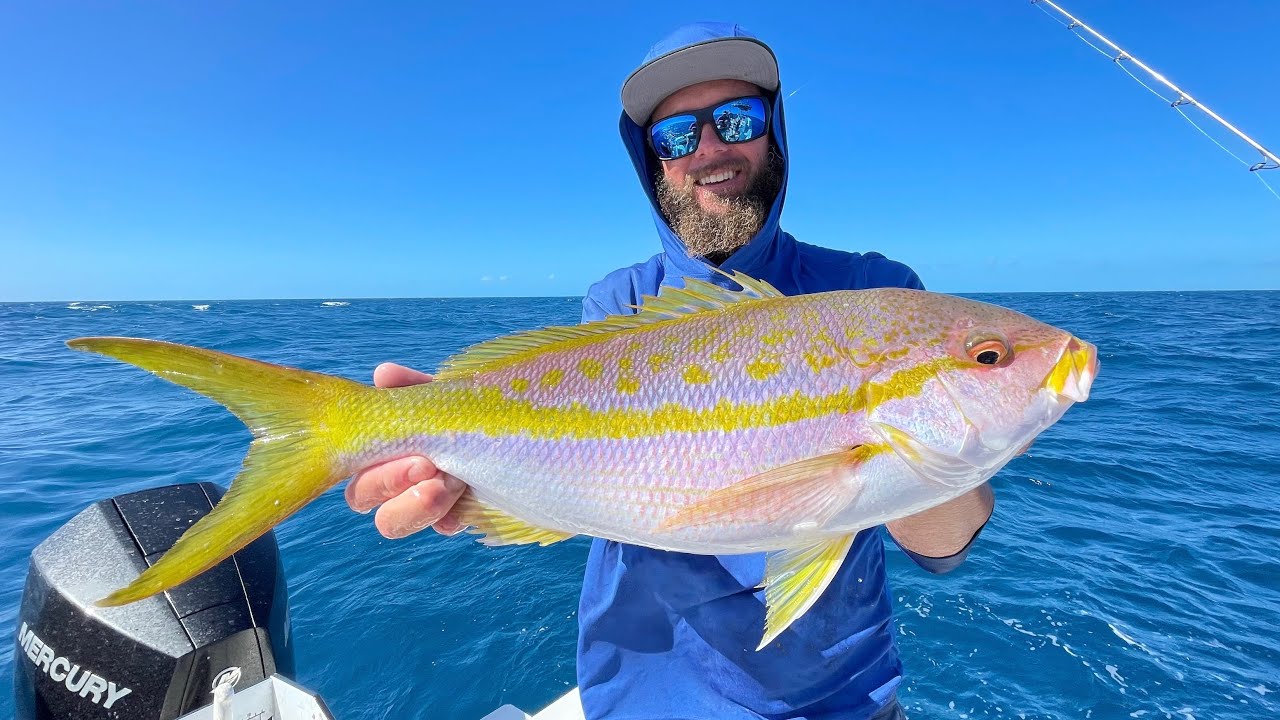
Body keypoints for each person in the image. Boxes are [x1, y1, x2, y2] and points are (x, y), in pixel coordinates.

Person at [344, 22, 994, 720]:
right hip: (644, 699)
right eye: (676, 135)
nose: (709, 149)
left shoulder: (873, 290)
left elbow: (944, 548)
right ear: (651, 160)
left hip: (843, 701)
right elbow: (584, 472)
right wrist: (465, 475)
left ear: (775, 132)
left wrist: (911, 442)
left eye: (737, 119)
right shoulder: (620, 301)